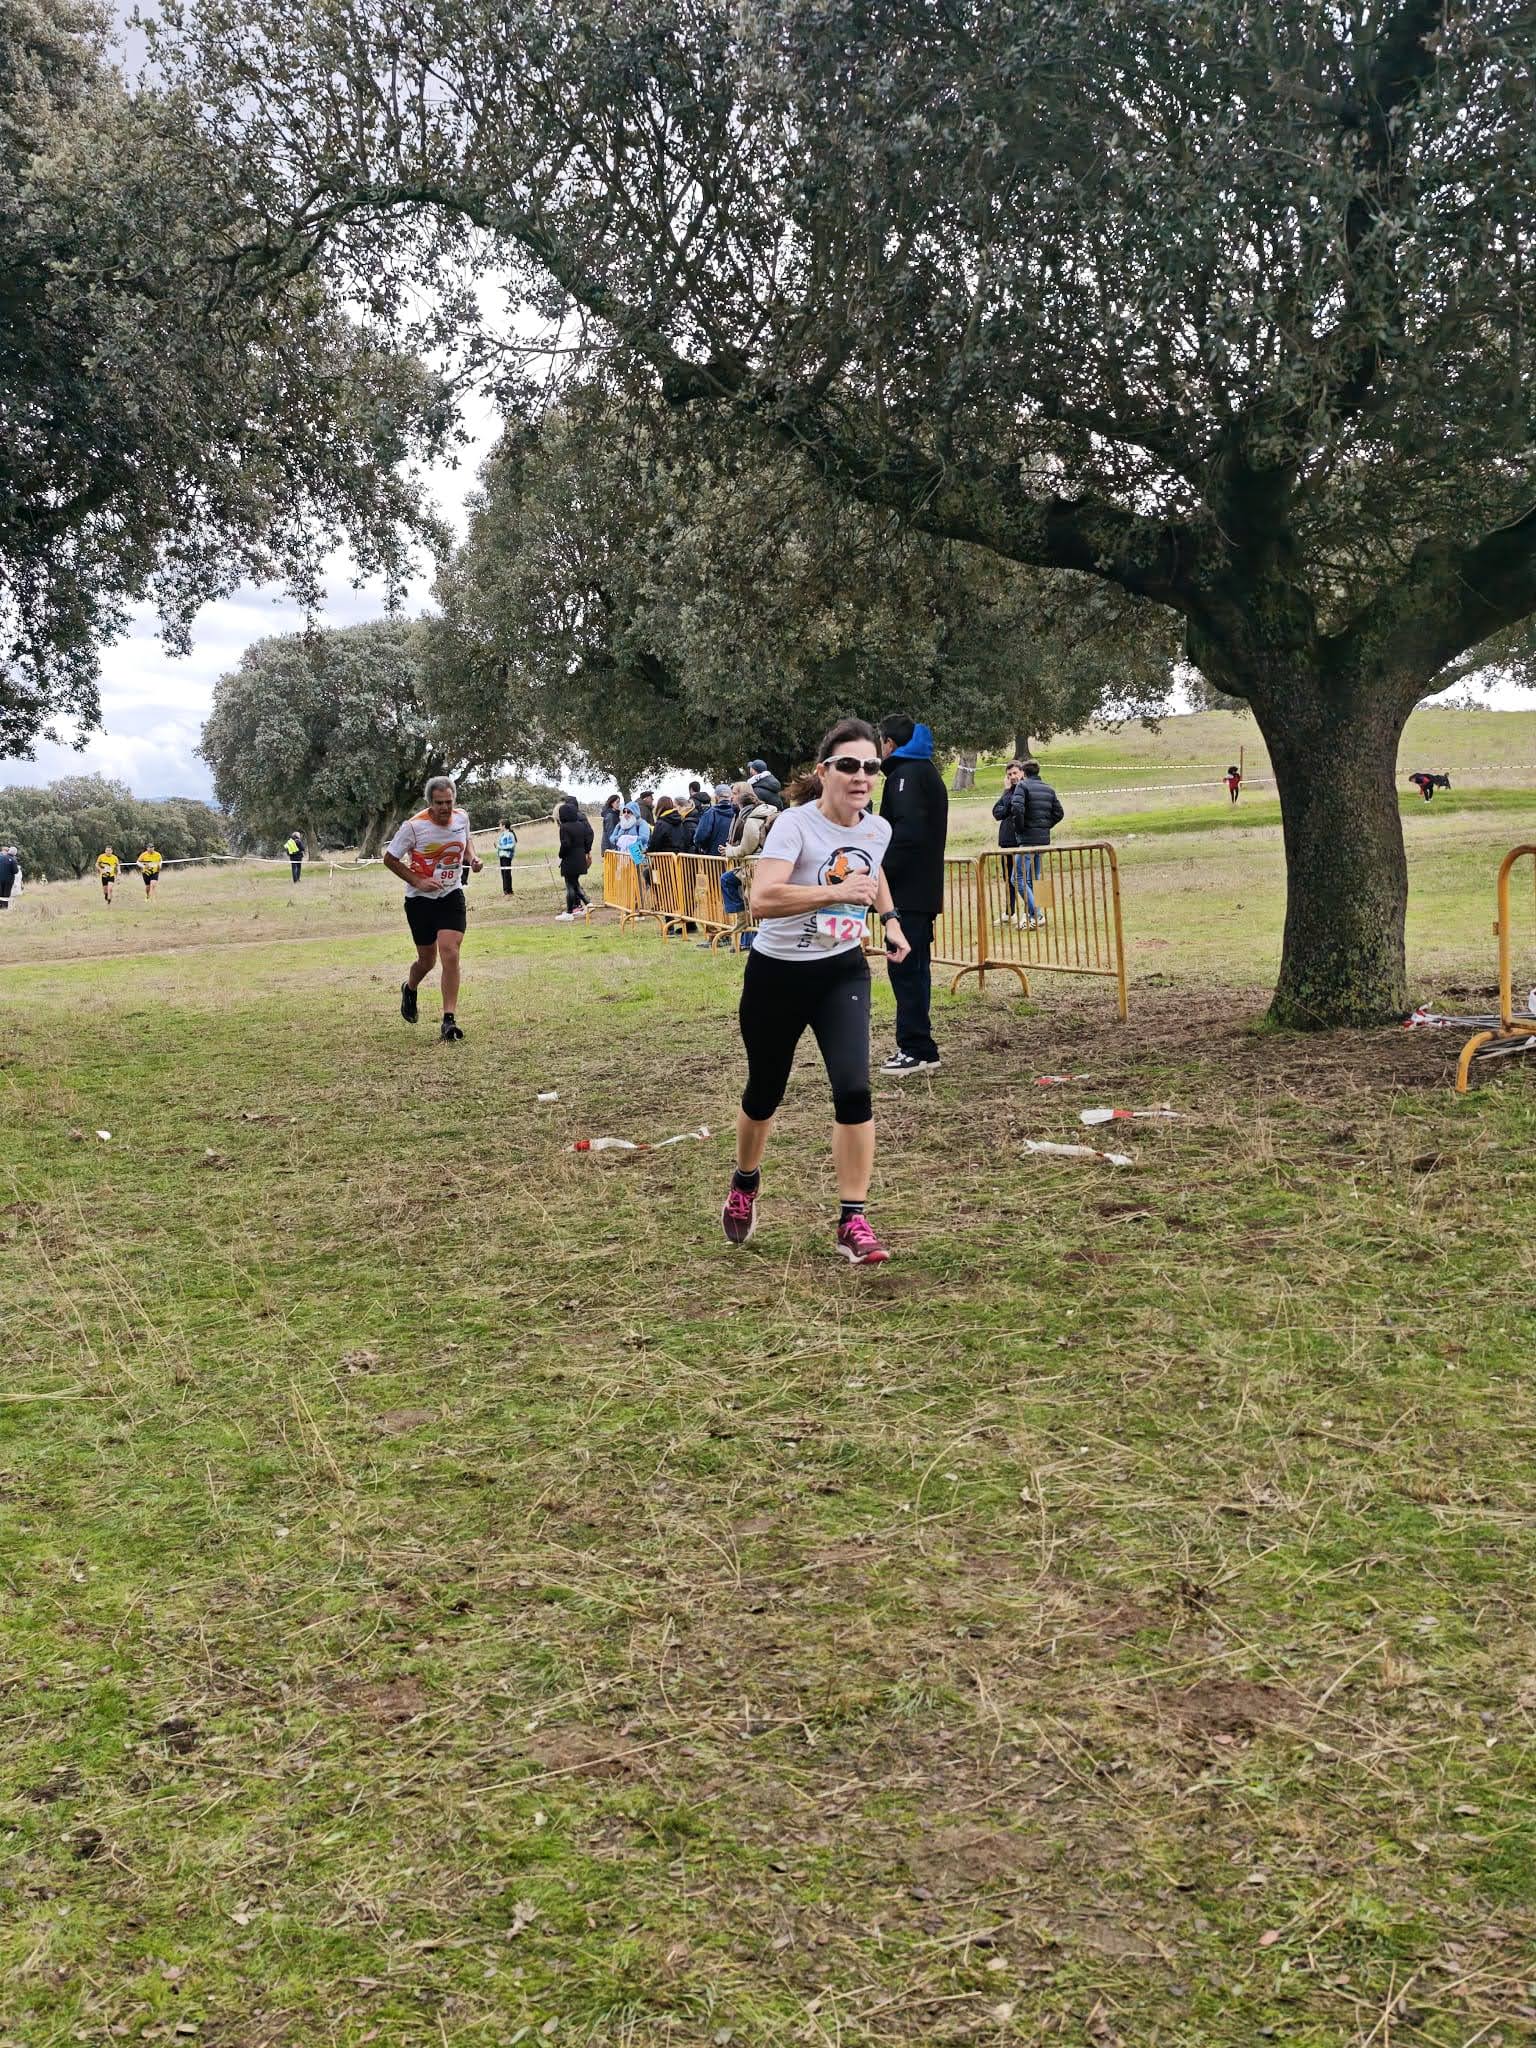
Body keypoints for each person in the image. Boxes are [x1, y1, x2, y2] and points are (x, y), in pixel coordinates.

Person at [723, 718, 910, 1265]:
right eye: (849, 766)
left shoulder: (877, 829)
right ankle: (745, 1181)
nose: (861, 776)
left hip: (841, 972)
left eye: (871, 767)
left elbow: (874, 878)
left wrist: (890, 919)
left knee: (854, 1090)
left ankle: (852, 1218)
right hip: (776, 975)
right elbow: (762, 899)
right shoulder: (793, 827)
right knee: (764, 1093)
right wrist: (830, 893)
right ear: (825, 771)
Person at [383, 775, 482, 1041]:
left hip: (451, 895)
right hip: (419, 901)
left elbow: (466, 842)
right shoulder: (414, 827)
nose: (445, 808)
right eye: (439, 803)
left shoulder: (461, 818)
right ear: (429, 803)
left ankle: (448, 1020)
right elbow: (389, 859)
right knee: (427, 960)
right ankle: (410, 987)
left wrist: (472, 859)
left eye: (449, 802)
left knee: (450, 952)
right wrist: (417, 880)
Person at [877, 715, 949, 1077]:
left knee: (906, 970)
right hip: (918, 890)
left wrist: (876, 874)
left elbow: (906, 835)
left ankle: (917, 1047)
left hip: (908, 893)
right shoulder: (921, 772)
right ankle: (917, 1045)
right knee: (914, 969)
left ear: (889, 742)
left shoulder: (906, 775)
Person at [1006, 759, 1065, 928]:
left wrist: (1021, 828)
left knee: (1017, 879)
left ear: (1024, 773)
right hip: (1043, 840)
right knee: (1034, 877)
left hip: (1027, 841)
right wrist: (1045, 826)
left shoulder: (1022, 787)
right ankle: (1035, 915)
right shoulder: (1049, 789)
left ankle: (1037, 913)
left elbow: (1016, 809)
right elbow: (1059, 813)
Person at [992, 761, 1025, 921]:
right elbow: (997, 812)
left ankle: (1032, 911)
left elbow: (1014, 808)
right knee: (1008, 878)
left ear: (1022, 773)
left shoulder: (1026, 789)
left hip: (1022, 841)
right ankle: (1010, 912)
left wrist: (1007, 806)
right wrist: (1006, 792)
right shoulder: (1008, 792)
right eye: (1009, 774)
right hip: (1006, 841)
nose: (1012, 777)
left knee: (1026, 877)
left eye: (1015, 773)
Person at [555, 798, 595, 918]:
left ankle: (569, 912)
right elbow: (585, 840)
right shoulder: (580, 825)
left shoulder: (564, 827)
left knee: (570, 886)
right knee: (575, 883)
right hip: (580, 858)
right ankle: (588, 903)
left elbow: (565, 844)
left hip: (569, 860)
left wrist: (560, 855)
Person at [727, 782, 779, 857]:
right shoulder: (761, 812)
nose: (731, 797)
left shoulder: (751, 819)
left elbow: (746, 849)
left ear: (742, 795)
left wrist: (729, 851)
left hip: (755, 864)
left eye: (734, 793)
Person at [693, 784, 738, 857]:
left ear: (716, 797)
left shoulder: (710, 813)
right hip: (734, 858)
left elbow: (700, 836)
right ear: (730, 796)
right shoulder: (737, 813)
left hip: (713, 858)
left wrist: (703, 848)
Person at [496, 819, 518, 895]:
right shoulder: (502, 834)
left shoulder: (510, 835)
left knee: (507, 873)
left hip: (507, 856)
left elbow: (511, 845)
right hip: (502, 856)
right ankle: (505, 890)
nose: (499, 827)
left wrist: (500, 847)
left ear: (504, 826)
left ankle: (509, 890)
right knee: (503, 873)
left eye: (500, 825)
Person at [0, 846, 18, 912]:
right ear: (14, 853)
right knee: (6, 894)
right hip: (8, 880)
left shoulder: (1, 857)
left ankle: (0, 906)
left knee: (0, 893)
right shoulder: (13, 860)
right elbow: (15, 871)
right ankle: (4, 908)